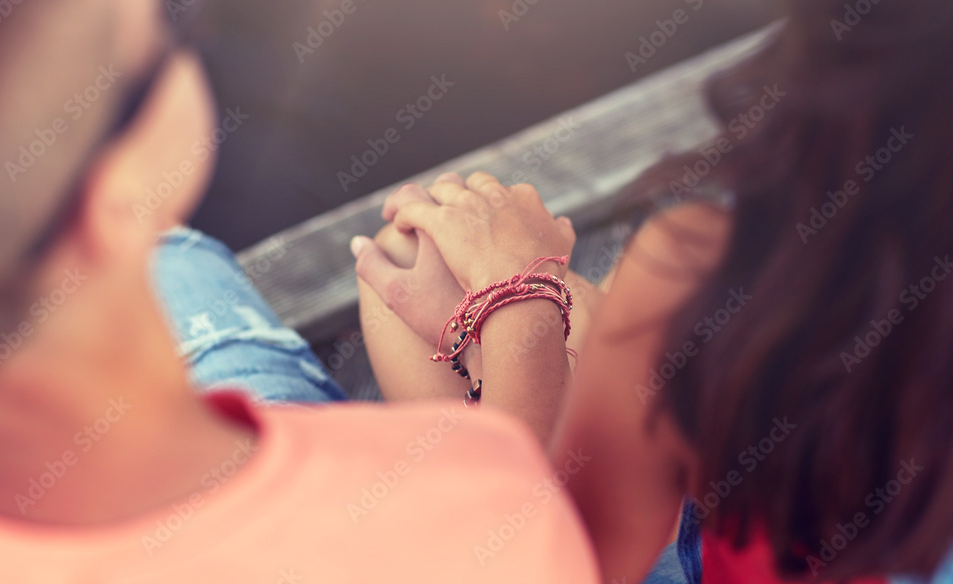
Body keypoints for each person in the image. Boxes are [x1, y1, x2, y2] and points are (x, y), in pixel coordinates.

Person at [0, 0, 599, 581]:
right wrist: (523, 296)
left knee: (174, 259)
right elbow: (523, 509)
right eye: (171, 20)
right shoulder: (460, 489)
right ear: (113, 193)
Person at [353, 0, 953, 583]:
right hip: (753, 526)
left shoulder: (690, 271)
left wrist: (519, 313)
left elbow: (538, 568)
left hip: (585, 556)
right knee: (430, 254)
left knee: (418, 258)